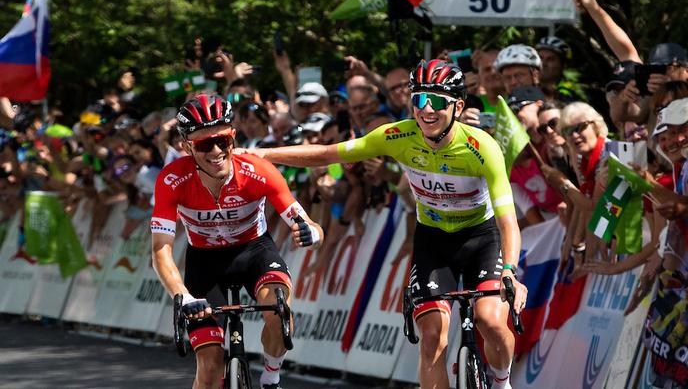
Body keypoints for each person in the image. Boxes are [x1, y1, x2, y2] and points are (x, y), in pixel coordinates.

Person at [239, 60, 528, 389]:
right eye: (419, 100)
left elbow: (508, 221)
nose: (426, 110)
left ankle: (502, 382)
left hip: (481, 240)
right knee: (432, 338)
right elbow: (329, 154)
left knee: (490, 320)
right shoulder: (399, 136)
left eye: (437, 102)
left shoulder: (482, 148)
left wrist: (510, 269)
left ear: (458, 106)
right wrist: (266, 155)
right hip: (433, 242)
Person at [150, 94, 324, 389]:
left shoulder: (257, 170)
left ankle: (271, 377)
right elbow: (160, 249)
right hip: (205, 264)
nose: (217, 151)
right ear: (186, 146)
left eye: (224, 141)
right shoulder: (172, 180)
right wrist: (183, 295)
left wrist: (312, 234)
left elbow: (309, 224)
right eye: (205, 144)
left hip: (254, 251)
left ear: (233, 137)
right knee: (209, 367)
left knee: (279, 311)